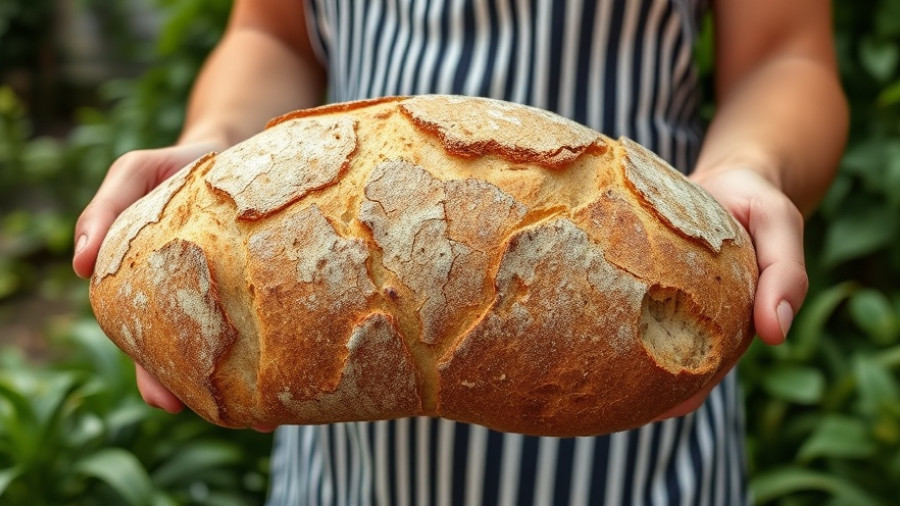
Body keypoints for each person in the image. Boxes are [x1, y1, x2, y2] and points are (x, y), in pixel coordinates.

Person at [73, 0, 848, 504]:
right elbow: (271, 33)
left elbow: (787, 55)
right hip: (335, 400)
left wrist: (748, 169)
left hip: (632, 378)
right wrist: (220, 153)